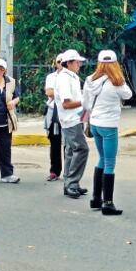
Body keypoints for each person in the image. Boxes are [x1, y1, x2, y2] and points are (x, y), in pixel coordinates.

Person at [84, 50, 132, 215]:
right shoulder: (117, 82)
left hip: (95, 124)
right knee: (110, 162)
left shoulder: (90, 80)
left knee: (102, 158)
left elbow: (86, 103)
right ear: (115, 64)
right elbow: (128, 94)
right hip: (109, 126)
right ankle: (108, 203)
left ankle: (96, 198)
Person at [54, 49, 89, 198]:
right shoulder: (64, 78)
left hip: (76, 118)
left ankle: (69, 183)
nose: (79, 65)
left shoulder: (72, 76)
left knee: (71, 151)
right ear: (68, 63)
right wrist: (85, 102)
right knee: (81, 149)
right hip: (70, 119)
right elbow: (66, 104)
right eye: (77, 62)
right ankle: (72, 183)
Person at [44, 54, 64, 181]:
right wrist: (64, 93)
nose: (61, 64)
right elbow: (49, 92)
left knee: (69, 144)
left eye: (63, 61)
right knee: (55, 143)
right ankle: (54, 171)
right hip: (54, 112)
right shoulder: (51, 77)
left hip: (69, 113)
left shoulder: (73, 77)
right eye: (59, 61)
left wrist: (57, 92)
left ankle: (70, 172)